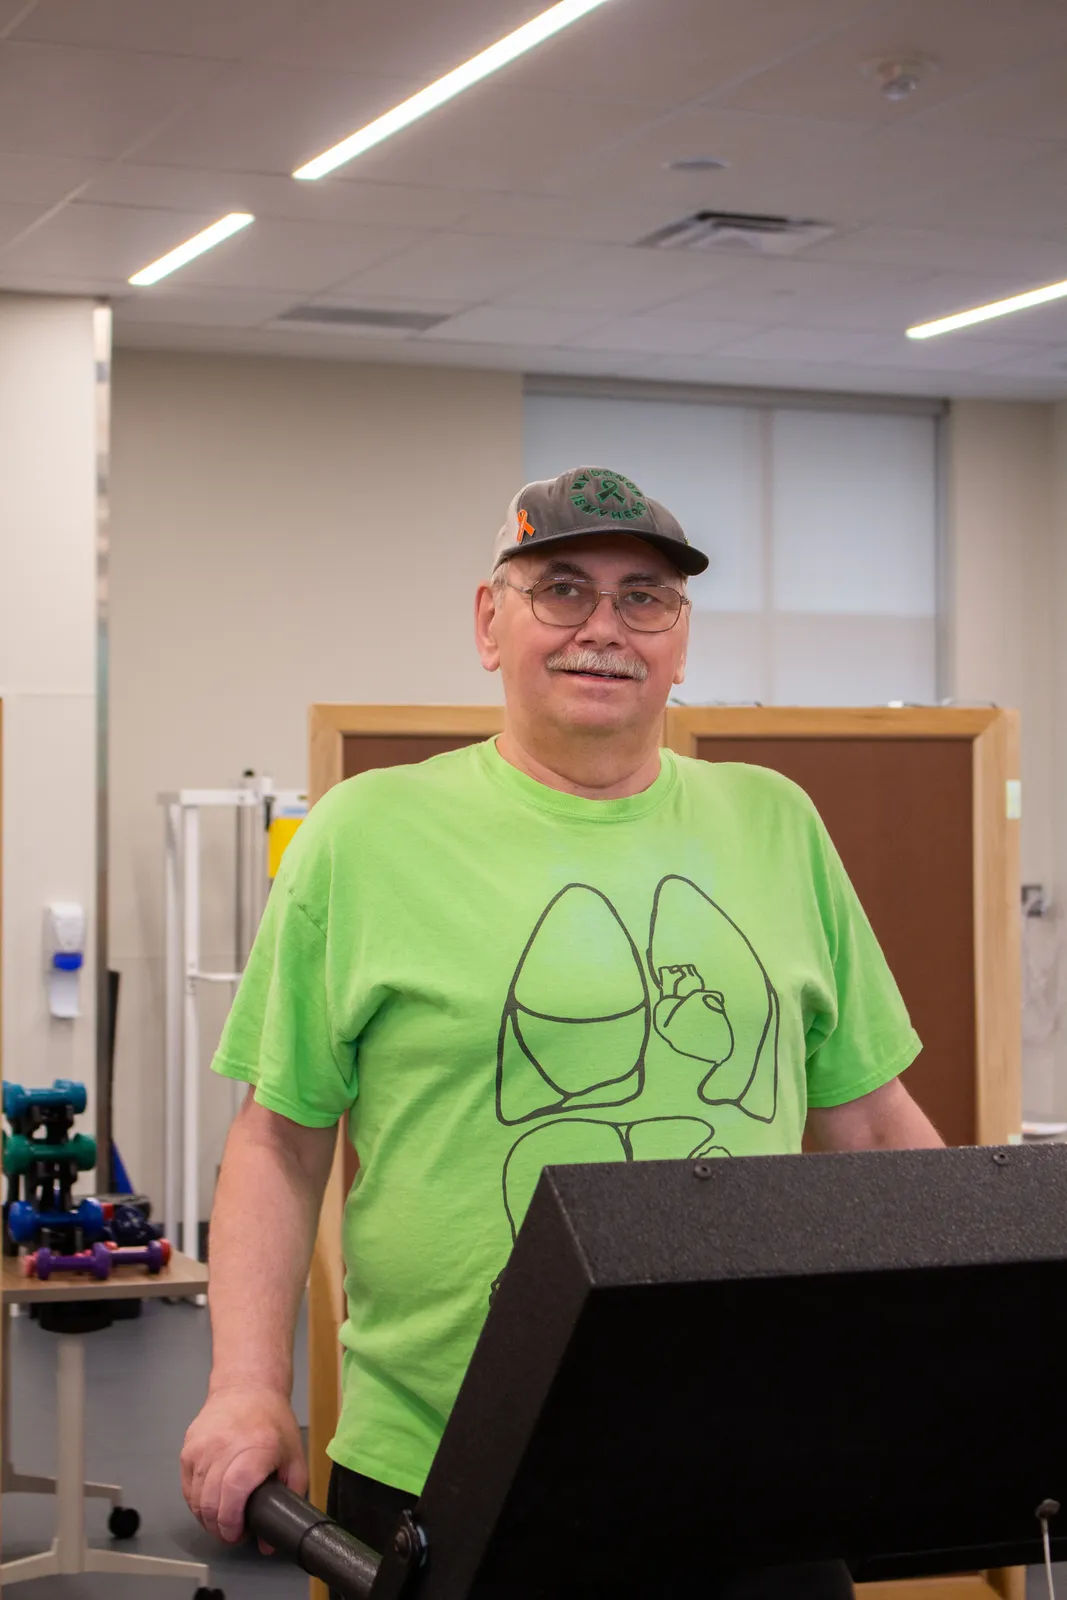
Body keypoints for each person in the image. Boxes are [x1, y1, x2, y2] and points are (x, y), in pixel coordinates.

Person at [181, 465, 941, 1595]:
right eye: (561, 590)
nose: (604, 628)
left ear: (681, 639)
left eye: (645, 597)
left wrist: (1013, 1342)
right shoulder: (367, 835)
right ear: (490, 622)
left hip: (753, 1455)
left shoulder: (776, 823)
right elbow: (279, 1140)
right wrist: (248, 1382)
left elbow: (873, 1126)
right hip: (454, 1464)